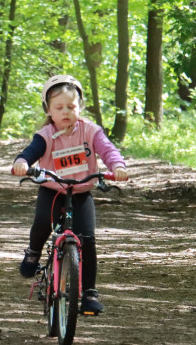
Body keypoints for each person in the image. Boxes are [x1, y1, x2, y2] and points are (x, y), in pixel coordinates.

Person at [11, 75, 129, 315]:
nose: (66, 112)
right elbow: (30, 152)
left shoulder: (90, 131)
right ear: (48, 110)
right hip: (52, 189)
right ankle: (33, 252)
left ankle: (89, 294)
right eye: (59, 107)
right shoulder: (45, 135)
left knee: (87, 238)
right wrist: (22, 162)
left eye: (71, 107)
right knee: (43, 221)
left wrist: (118, 166)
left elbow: (108, 150)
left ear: (81, 107)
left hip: (81, 193)